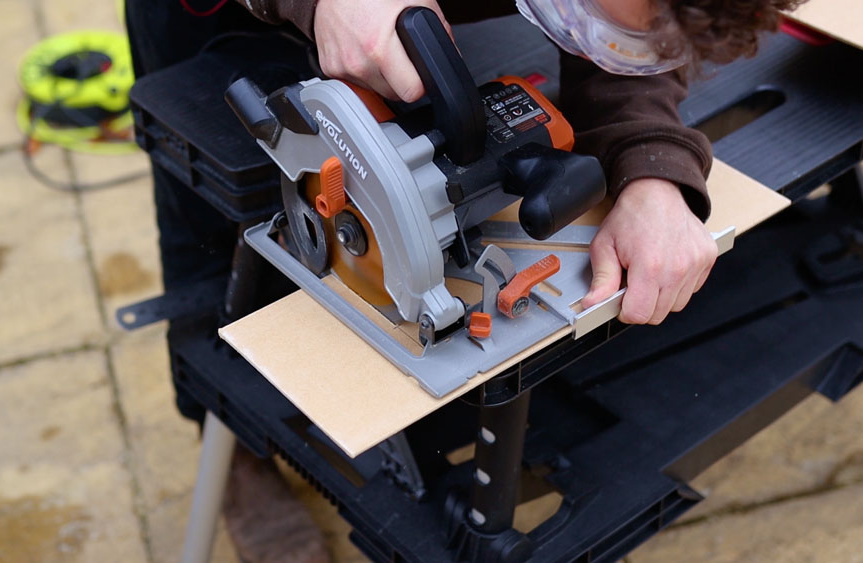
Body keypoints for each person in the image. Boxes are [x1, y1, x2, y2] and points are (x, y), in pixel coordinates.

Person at [125, 0, 804, 560]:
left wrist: (651, 162)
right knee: (213, 210)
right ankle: (240, 451)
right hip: (217, 19)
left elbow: (626, 45)